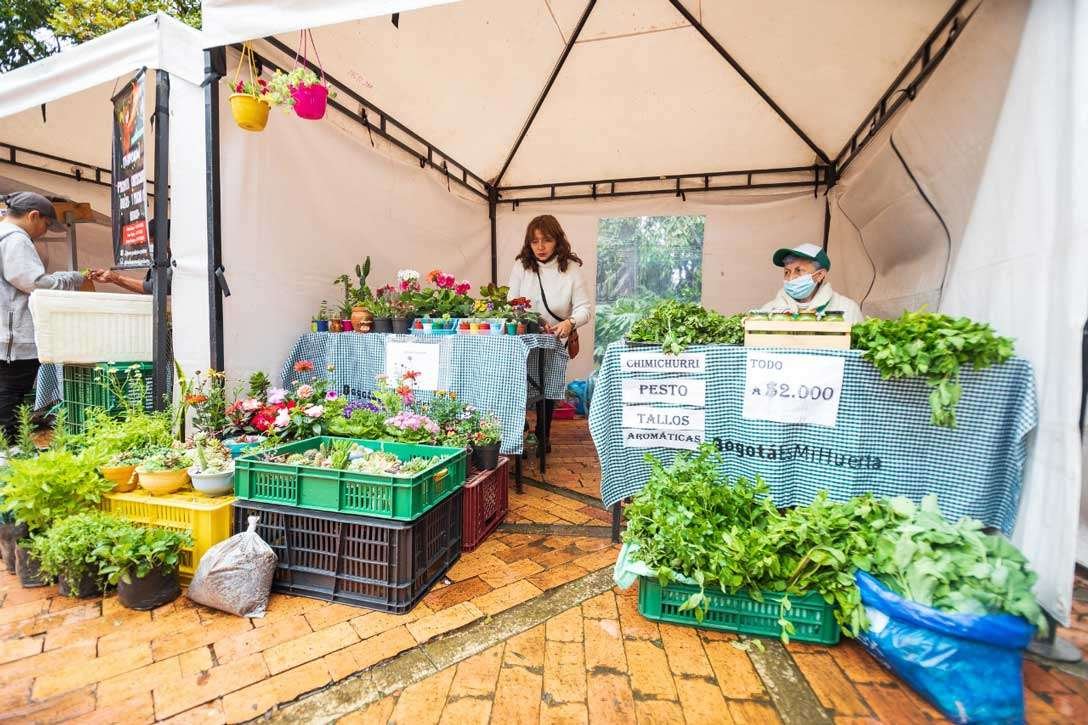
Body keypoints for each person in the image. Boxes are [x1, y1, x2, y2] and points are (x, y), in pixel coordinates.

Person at [0, 192, 92, 439]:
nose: (45, 231)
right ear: (33, 216)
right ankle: (9, 456)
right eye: (46, 224)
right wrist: (72, 278)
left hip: (5, 339)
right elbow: (35, 283)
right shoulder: (15, 239)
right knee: (10, 401)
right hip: (12, 342)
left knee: (9, 399)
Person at [508, 214, 592, 447]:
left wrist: (570, 323)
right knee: (520, 383)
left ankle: (543, 434)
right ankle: (520, 429)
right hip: (524, 337)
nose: (541, 247)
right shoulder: (521, 266)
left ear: (557, 240)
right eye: (534, 242)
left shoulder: (571, 269)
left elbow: (585, 308)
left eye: (546, 240)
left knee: (547, 385)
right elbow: (510, 301)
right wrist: (528, 318)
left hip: (554, 338)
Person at [760, 243, 864, 324]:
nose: (791, 278)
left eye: (798, 270)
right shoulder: (768, 311)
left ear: (820, 275)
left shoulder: (847, 309)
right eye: (787, 272)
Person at [91, 219, 170, 294]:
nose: (154, 247)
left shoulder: (176, 264)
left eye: (154, 242)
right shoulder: (164, 261)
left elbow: (153, 288)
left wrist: (117, 278)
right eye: (152, 243)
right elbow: (145, 285)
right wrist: (113, 279)